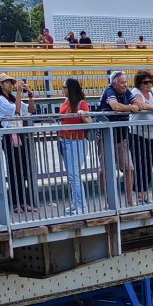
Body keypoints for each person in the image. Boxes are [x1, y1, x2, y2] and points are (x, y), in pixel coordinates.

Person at [0, 73, 35, 210]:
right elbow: (16, 111)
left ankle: (23, 202)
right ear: (1, 84)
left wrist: (30, 95)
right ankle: (16, 202)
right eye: (7, 82)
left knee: (23, 168)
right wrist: (18, 93)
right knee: (13, 168)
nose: (10, 84)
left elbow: (30, 110)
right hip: (9, 135)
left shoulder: (12, 98)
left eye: (11, 82)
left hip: (19, 135)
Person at [97, 67, 139, 205]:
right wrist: (130, 108)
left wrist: (134, 106)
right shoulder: (109, 91)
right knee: (105, 169)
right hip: (106, 137)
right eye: (122, 82)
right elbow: (115, 106)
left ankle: (129, 200)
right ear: (114, 84)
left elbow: (137, 104)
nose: (125, 85)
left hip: (122, 135)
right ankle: (107, 200)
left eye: (126, 82)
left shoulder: (126, 91)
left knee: (129, 167)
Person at [129, 65, 153, 194]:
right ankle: (140, 194)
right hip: (138, 135)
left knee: (149, 164)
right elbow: (141, 105)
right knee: (140, 165)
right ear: (139, 83)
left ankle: (143, 192)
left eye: (150, 81)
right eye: (145, 82)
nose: (148, 84)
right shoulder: (136, 92)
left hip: (151, 134)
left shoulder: (152, 91)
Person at [58, 75, 91, 214]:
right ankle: (76, 203)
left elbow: (90, 122)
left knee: (74, 175)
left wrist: (83, 115)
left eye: (64, 87)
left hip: (76, 142)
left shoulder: (80, 103)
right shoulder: (66, 102)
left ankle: (81, 206)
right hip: (65, 140)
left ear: (70, 89)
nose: (63, 90)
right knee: (72, 175)